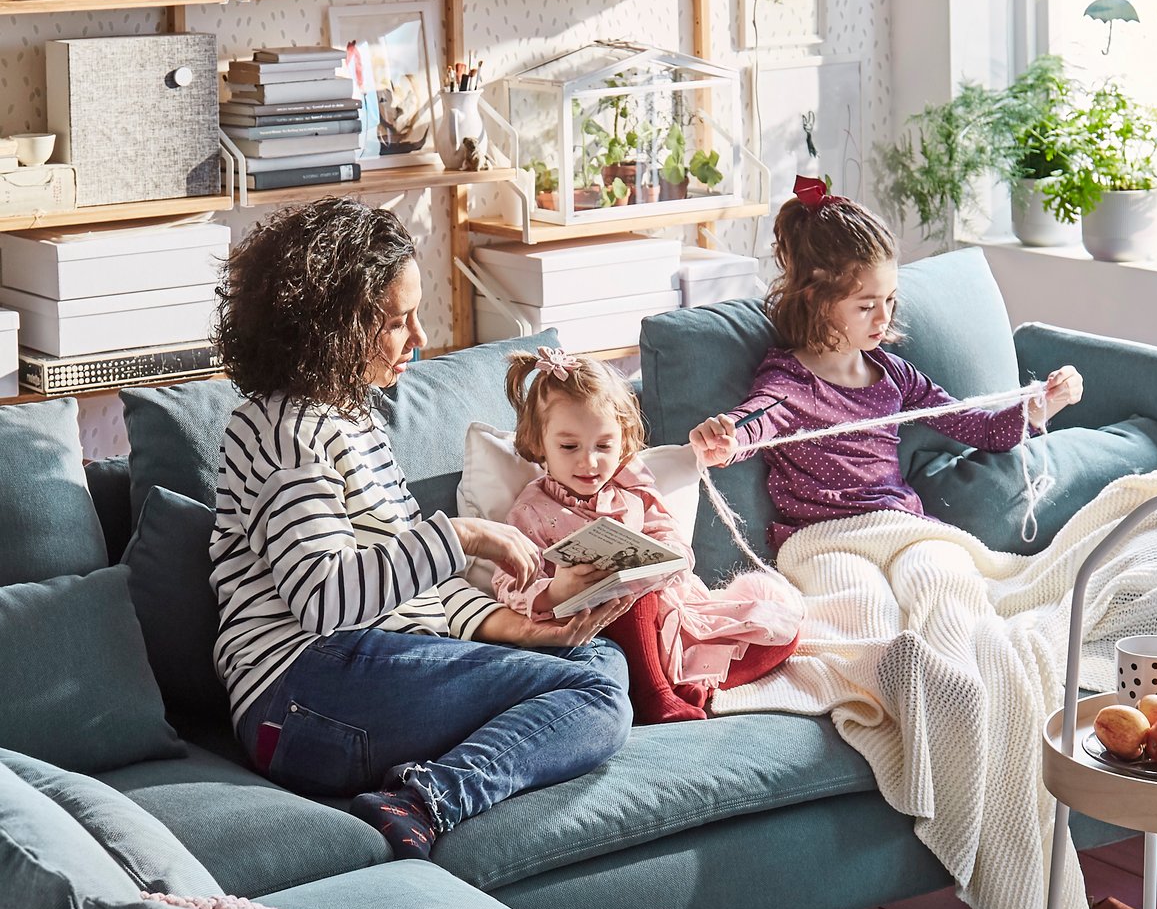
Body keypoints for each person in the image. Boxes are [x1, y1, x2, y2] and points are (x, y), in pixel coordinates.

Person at [209, 199, 634, 861]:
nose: (420, 338)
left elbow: (417, 597)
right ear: (333, 326)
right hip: (299, 694)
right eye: (395, 320)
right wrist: (462, 537)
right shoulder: (281, 427)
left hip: (368, 672)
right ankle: (429, 801)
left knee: (599, 665)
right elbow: (325, 600)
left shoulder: (355, 421)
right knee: (591, 689)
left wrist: (515, 631)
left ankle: (418, 796)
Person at [687, 178, 1084, 537]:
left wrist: (1039, 406)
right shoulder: (790, 382)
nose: (884, 317)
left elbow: (980, 430)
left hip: (899, 527)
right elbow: (754, 422)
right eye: (866, 306)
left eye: (890, 300)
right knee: (866, 602)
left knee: (951, 578)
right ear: (817, 300)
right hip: (825, 543)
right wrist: (726, 439)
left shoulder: (895, 376)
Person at [494, 346, 801, 724]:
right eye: (569, 446)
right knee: (628, 593)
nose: (588, 462)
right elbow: (508, 583)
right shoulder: (530, 509)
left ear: (622, 441)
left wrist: (659, 560)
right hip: (601, 626)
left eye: (603, 446)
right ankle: (655, 695)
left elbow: (675, 545)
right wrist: (556, 590)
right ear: (539, 443)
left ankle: (688, 689)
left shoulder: (633, 489)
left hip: (671, 615)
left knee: (784, 632)